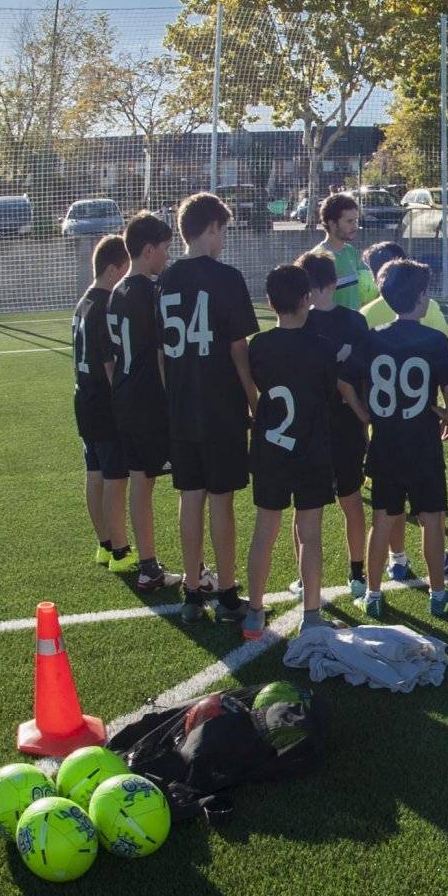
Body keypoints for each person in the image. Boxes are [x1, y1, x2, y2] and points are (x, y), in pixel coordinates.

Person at [241, 263, 365, 643]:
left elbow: (258, 388)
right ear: (307, 298)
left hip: (270, 449)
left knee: (265, 529)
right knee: (309, 532)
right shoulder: (323, 349)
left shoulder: (258, 346)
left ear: (268, 302)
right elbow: (329, 393)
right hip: (311, 448)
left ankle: (254, 613)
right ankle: (311, 615)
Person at [159, 192, 260, 622]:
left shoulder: (163, 280)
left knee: (190, 495)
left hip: (182, 404)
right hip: (220, 403)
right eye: (223, 231)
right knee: (221, 499)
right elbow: (239, 348)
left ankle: (192, 590)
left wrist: (173, 395)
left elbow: (162, 353)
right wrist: (254, 397)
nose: (224, 240)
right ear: (212, 228)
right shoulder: (226, 278)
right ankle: (227, 592)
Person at [355, 258, 448, 620]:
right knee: (432, 519)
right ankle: (437, 594)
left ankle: (372, 594)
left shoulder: (373, 339)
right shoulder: (433, 340)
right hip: (422, 443)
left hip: (385, 442)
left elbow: (346, 382)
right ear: (421, 297)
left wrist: (365, 414)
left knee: (382, 519)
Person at [296, 247, 373, 605]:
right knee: (335, 501)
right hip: (333, 424)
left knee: (342, 499)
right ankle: (351, 572)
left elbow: (362, 378)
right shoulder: (349, 322)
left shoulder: (309, 323)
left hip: (324, 426)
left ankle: (355, 570)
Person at [106, 211, 176, 591]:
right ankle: (196, 573)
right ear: (148, 250)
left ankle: (148, 564)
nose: (167, 256)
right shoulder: (151, 293)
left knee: (139, 479)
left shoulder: (117, 290)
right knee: (186, 483)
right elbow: (163, 355)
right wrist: (173, 401)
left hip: (125, 393)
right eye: (164, 249)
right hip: (150, 399)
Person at [71, 235, 135, 571]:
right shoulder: (105, 306)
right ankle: (122, 552)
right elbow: (109, 363)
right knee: (115, 477)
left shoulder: (82, 303)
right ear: (113, 269)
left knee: (94, 472)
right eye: (126, 270)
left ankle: (105, 544)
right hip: (103, 400)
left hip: (83, 397)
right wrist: (124, 405)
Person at [315, 192, 379, 312]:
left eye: (356, 221)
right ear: (332, 223)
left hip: (354, 326)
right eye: (349, 221)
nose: (355, 226)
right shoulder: (318, 258)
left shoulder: (350, 251)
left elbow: (365, 287)